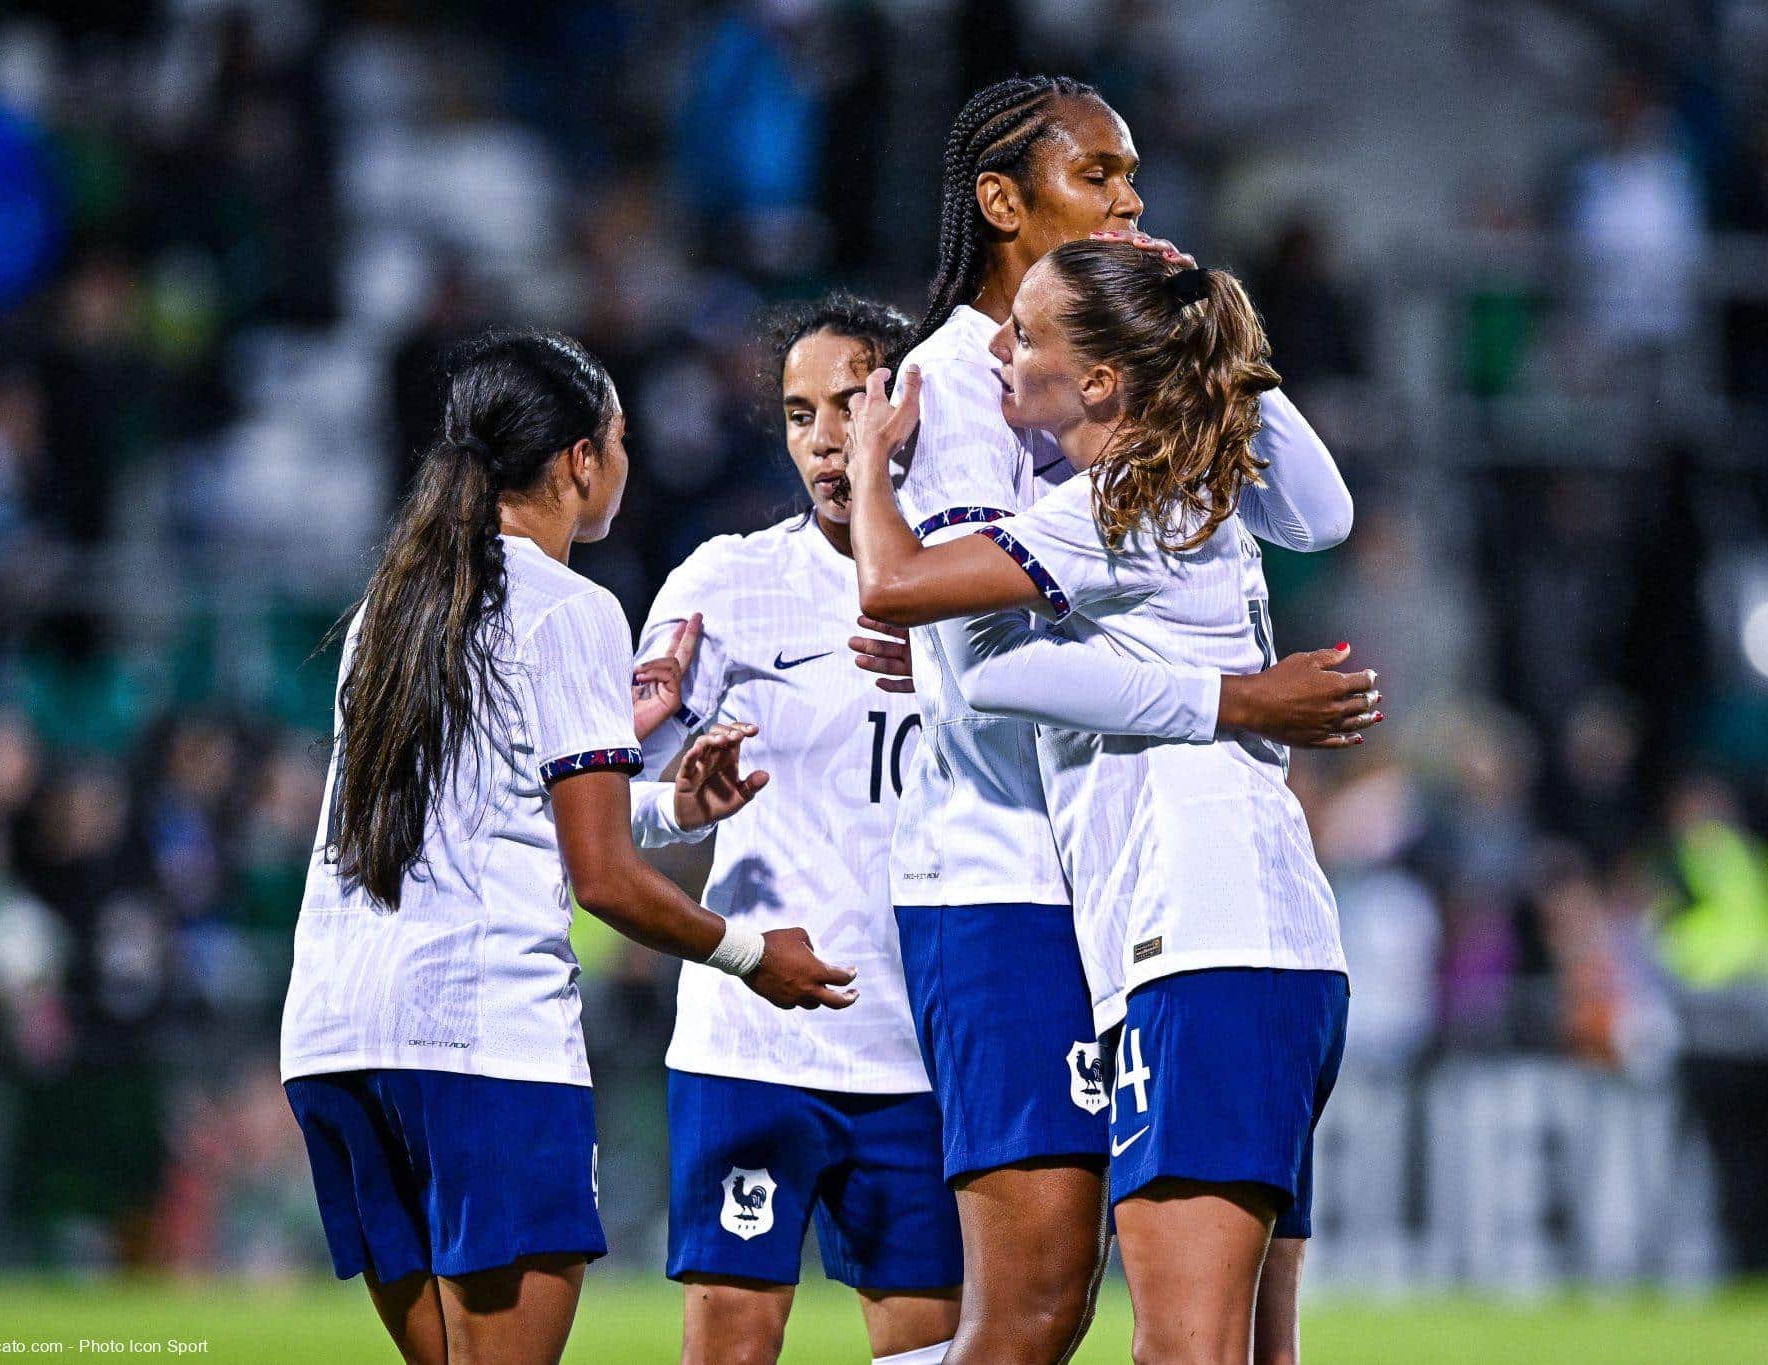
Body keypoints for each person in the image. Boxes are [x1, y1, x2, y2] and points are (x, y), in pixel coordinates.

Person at [874, 75, 1374, 1365]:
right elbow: (962, 652)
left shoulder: (1135, 430)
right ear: (1002, 200)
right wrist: (1236, 698)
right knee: (1045, 1311)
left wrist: (1199, 333)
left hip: (1157, 895)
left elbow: (1313, 516)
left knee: (1191, 1325)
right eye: (1097, 175)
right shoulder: (955, 380)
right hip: (1017, 880)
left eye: (1131, 175)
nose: (1129, 199)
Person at [278, 330, 857, 1365]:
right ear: (580, 461)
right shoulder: (569, 609)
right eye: (621, 440)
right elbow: (599, 880)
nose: (626, 463)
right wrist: (749, 957)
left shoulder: (388, 611)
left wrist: (673, 809)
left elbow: (487, 810)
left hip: (334, 1039)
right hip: (479, 1040)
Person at [633, 296, 961, 1365]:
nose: (825, 438)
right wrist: (680, 803)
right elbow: (611, 795)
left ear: (908, 404)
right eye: (795, 412)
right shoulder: (727, 584)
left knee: (924, 1350)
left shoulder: (984, 581)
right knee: (729, 1346)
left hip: (924, 1040)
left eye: (851, 402)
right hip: (753, 1037)